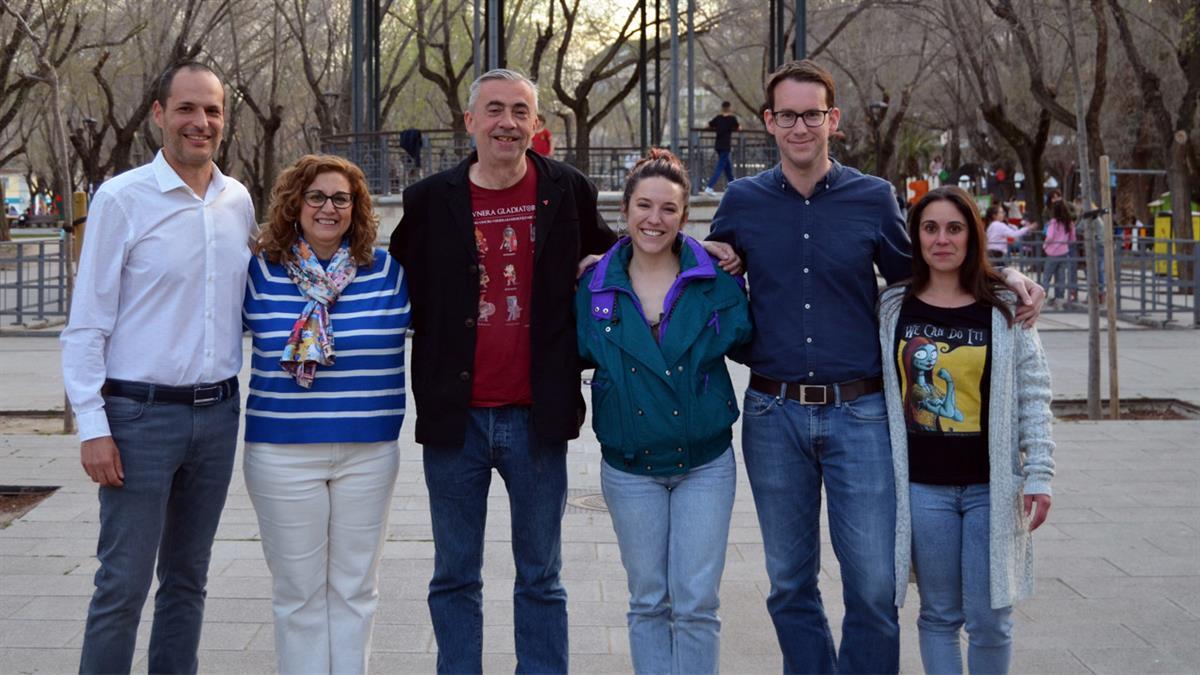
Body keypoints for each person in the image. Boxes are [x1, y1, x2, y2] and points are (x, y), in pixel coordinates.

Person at [706, 59, 1043, 674]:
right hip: (772, 412)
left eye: (813, 114)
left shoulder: (871, 197)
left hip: (861, 414)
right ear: (769, 122)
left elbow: (923, 276)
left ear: (833, 120)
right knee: (788, 581)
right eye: (788, 115)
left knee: (873, 585)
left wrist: (1005, 277)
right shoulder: (741, 201)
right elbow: (709, 282)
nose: (800, 126)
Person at [388, 68, 617, 674]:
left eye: (520, 111)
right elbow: (393, 279)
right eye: (494, 110)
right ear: (469, 121)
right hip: (454, 420)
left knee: (541, 575)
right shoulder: (430, 200)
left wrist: (705, 256)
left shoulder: (568, 190)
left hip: (536, 417)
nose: (507, 123)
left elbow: (618, 259)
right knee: (455, 575)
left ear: (536, 124)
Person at [61, 62, 256, 674]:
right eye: (187, 109)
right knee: (122, 585)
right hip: (138, 418)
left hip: (218, 416)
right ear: (159, 115)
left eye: (213, 111)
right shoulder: (121, 199)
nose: (201, 123)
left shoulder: (238, 201)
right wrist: (93, 425)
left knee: (188, 581)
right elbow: (87, 323)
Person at [576, 149, 751, 674]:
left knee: (697, 603)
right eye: (644, 206)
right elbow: (577, 351)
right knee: (649, 599)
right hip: (631, 470)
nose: (655, 219)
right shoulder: (593, 285)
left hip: (705, 465)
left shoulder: (717, 280)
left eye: (668, 209)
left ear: (685, 215)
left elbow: (750, 334)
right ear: (625, 211)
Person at [242, 154, 411, 674]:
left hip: (368, 453)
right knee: (299, 593)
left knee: (356, 587)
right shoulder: (260, 271)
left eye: (342, 198)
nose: (328, 208)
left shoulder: (387, 271)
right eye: (316, 196)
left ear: (357, 208)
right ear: (295, 204)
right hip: (281, 455)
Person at [878, 186, 1054, 674]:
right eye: (930, 228)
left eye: (954, 228)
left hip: (991, 490)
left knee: (992, 619)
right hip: (922, 490)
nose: (941, 239)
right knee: (937, 616)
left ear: (972, 235)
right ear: (915, 237)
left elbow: (1034, 391)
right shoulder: (892, 307)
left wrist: (1039, 472)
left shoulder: (1003, 304)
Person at [1041, 200, 1076, 304]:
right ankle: (1059, 297)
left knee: (1047, 275)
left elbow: (1050, 237)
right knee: (1061, 276)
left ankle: (1043, 295)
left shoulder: (1053, 222)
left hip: (1052, 252)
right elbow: (1072, 239)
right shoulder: (1069, 223)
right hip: (1064, 251)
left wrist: (1045, 245)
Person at [703, 101, 740, 195]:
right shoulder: (732, 118)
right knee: (720, 167)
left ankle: (733, 187)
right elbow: (739, 128)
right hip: (726, 145)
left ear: (722, 108)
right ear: (729, 108)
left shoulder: (718, 118)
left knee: (727, 168)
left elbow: (707, 125)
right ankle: (709, 187)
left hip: (718, 145)